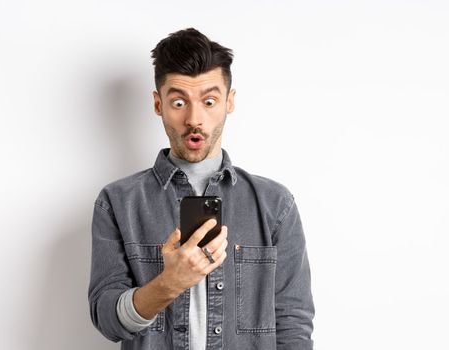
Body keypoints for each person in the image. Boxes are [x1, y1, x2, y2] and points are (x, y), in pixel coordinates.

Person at [88, 28, 314, 350]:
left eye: (209, 101)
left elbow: (293, 325)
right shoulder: (117, 203)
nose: (195, 118)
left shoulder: (275, 205)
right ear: (158, 104)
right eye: (179, 101)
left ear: (229, 102)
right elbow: (107, 319)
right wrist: (168, 284)